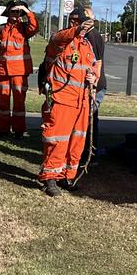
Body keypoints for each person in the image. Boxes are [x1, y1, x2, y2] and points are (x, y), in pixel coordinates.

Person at [39, 14, 97, 197]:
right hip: (61, 99)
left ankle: (67, 176)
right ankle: (50, 178)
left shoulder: (87, 46)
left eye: (81, 23)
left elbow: (93, 67)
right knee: (57, 140)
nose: (79, 25)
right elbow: (59, 38)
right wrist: (77, 30)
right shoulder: (60, 41)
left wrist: (93, 77)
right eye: (75, 22)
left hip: (82, 101)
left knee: (76, 141)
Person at [0, 0, 39, 139]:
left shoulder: (24, 28)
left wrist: (27, 11)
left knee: (19, 102)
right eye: (13, 11)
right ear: (8, 12)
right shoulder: (1, 28)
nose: (15, 14)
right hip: (3, 71)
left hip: (19, 72)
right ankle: (3, 130)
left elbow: (35, 27)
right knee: (3, 102)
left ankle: (18, 131)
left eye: (18, 12)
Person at [72, 7, 106, 167]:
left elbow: (97, 63)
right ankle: (83, 153)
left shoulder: (93, 36)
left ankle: (90, 155)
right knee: (83, 119)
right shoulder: (81, 35)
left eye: (77, 20)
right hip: (84, 85)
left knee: (89, 119)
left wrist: (94, 84)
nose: (74, 23)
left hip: (96, 87)